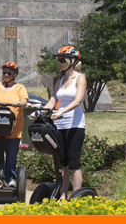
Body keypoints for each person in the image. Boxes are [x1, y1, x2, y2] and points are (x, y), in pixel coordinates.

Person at [32, 45, 87, 199]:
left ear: (73, 61)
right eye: (59, 60)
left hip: (75, 125)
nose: (60, 63)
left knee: (74, 163)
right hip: (60, 126)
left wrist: (61, 111)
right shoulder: (61, 79)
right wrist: (40, 113)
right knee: (62, 163)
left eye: (62, 60)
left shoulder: (80, 78)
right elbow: (52, 100)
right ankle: (62, 196)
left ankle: (76, 197)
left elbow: (78, 101)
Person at [0, 62, 28, 188]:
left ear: (15, 75)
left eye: (9, 73)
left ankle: (10, 178)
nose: (6, 75)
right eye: (4, 72)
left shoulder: (20, 88)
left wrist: (19, 103)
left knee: (11, 156)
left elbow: (24, 101)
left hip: (13, 130)